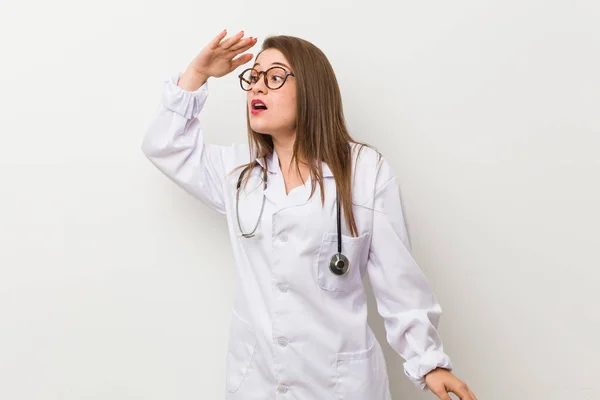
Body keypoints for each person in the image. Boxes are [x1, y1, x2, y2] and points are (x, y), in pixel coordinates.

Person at [141, 29, 477, 400]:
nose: (257, 88)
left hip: (339, 385)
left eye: (274, 77)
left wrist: (429, 362)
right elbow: (163, 145)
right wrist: (197, 74)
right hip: (258, 382)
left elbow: (398, 280)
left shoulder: (364, 171)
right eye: (253, 77)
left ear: (312, 90)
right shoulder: (238, 173)